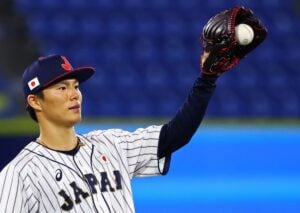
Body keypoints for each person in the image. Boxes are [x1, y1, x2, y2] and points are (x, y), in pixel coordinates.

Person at [0, 6, 266, 213]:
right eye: (61, 88)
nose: (74, 95)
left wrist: (207, 78)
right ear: (35, 102)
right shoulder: (19, 174)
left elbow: (174, 136)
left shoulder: (111, 144)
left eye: (75, 86)